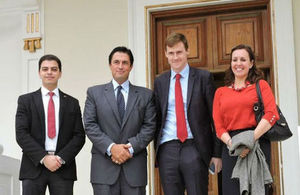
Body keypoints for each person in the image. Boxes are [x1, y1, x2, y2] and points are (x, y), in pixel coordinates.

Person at [154, 32, 222, 195]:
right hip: (167, 149)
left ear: (187, 51)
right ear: (165, 54)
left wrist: (217, 154)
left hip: (195, 147)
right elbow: (155, 117)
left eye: (179, 52)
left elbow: (216, 118)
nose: (175, 57)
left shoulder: (203, 77)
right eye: (171, 53)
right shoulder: (160, 82)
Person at [83, 46, 156, 195]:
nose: (120, 66)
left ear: (131, 66)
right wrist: (112, 148)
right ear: (110, 65)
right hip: (104, 170)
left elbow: (150, 126)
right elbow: (90, 125)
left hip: (134, 169)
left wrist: (130, 148)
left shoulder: (146, 95)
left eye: (125, 62)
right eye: (116, 62)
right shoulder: (94, 93)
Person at [212, 44, 279, 195]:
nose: (238, 63)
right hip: (231, 148)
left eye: (243, 59)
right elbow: (218, 126)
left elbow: (271, 114)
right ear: (231, 64)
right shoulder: (220, 92)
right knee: (232, 191)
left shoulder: (261, 85)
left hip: (257, 143)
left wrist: (249, 140)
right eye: (235, 60)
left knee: (257, 190)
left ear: (251, 63)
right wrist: (234, 145)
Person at [15, 54, 86, 195]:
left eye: (54, 69)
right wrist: (44, 158)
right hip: (33, 166)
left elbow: (79, 136)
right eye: (45, 69)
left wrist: (60, 158)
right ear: (39, 72)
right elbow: (21, 134)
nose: (49, 72)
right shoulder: (25, 101)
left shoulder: (72, 103)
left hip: (63, 168)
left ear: (60, 73)